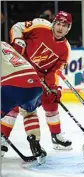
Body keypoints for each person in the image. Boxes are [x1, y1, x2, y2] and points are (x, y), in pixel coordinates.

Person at [7, 11, 72, 150]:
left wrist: (53, 87)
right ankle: (2, 138)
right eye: (59, 24)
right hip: (18, 69)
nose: (60, 28)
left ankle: (56, 136)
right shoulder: (40, 26)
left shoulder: (65, 49)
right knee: (13, 104)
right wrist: (18, 40)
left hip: (37, 79)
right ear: (54, 23)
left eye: (64, 26)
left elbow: (54, 71)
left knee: (50, 100)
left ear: (69, 28)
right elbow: (17, 27)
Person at [1, 41, 46, 161]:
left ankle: (1, 142)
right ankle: (35, 141)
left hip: (14, 84)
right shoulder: (6, 45)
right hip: (34, 83)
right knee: (30, 112)